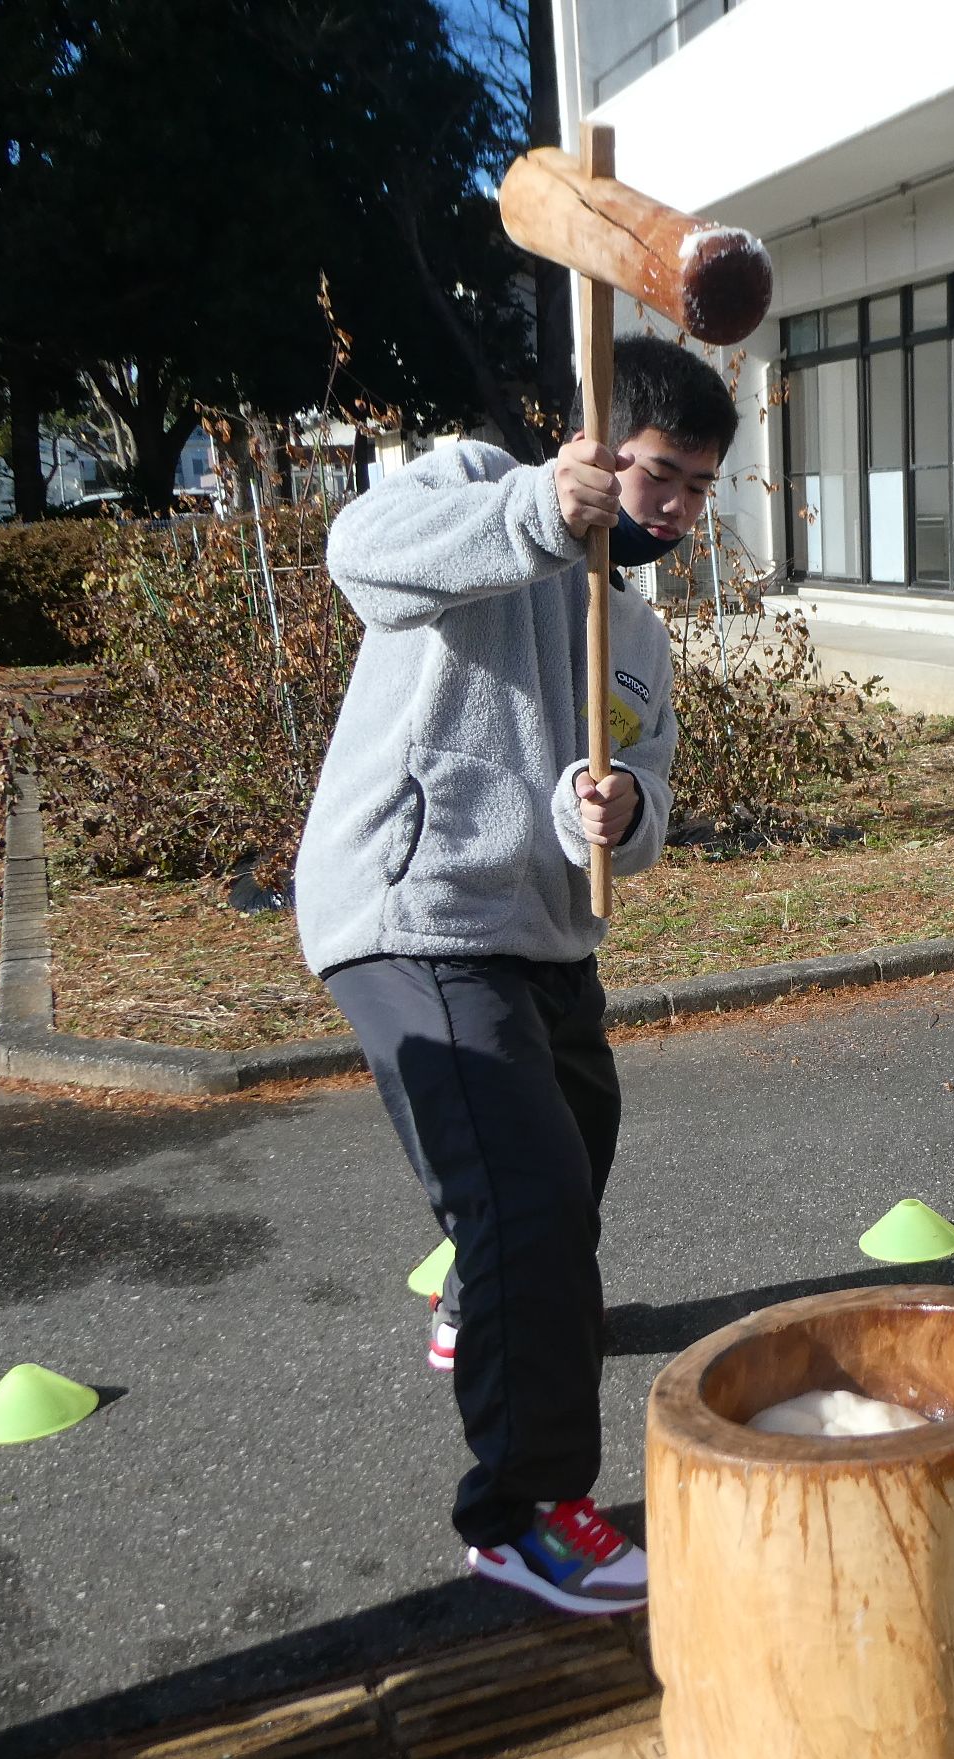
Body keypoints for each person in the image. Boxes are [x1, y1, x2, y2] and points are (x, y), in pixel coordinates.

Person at [295, 336, 731, 1617]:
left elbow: (646, 797)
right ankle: (526, 1511)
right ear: (601, 441)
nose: (675, 510)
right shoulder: (481, 484)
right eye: (660, 475)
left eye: (700, 489)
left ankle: (483, 1305)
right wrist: (539, 510)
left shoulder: (639, 635)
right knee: (530, 1198)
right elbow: (360, 561)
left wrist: (619, 812)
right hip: (412, 903)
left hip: (540, 931)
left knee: (576, 1141)